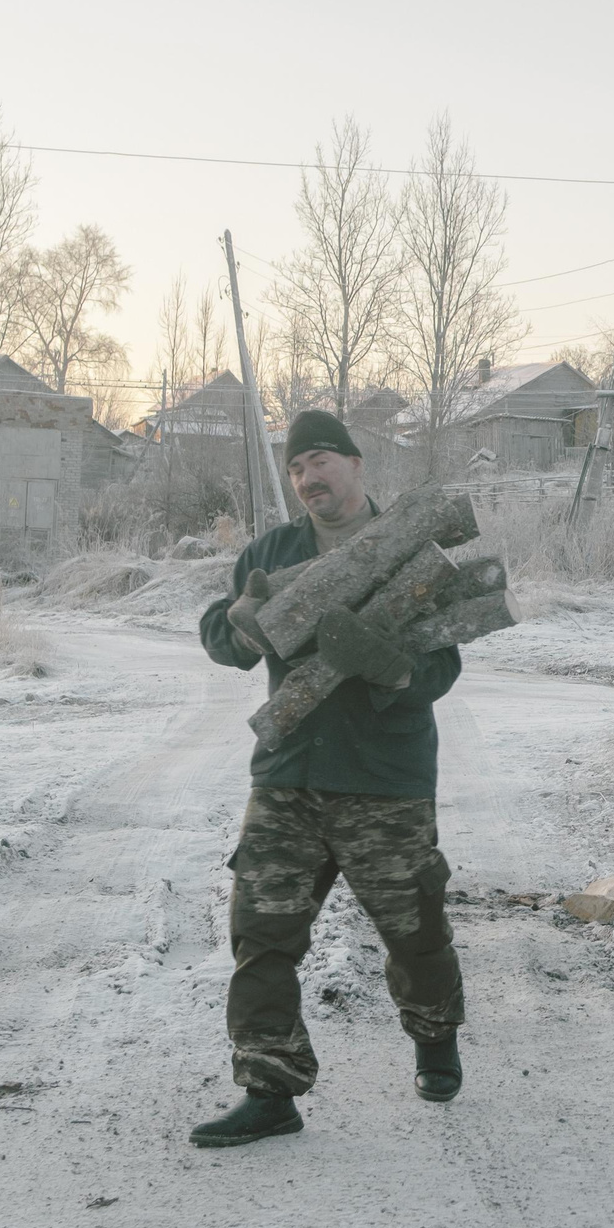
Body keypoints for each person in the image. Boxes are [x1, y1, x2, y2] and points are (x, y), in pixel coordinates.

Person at [188, 408, 466, 1148]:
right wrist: (239, 621)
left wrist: (395, 668)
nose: (309, 478)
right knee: (262, 933)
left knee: (415, 932)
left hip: (387, 774)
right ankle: (268, 1084)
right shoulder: (274, 550)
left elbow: (445, 661)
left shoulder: (409, 545)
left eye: (320, 460)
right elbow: (224, 641)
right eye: (297, 468)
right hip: (290, 772)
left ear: (355, 462)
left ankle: (435, 1037)